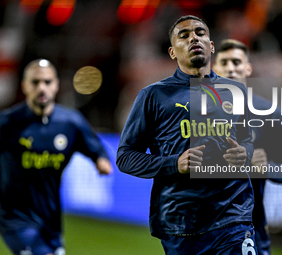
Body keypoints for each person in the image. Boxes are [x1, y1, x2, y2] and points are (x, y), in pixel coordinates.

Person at [117, 15, 258, 254]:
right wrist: (174, 163)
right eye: (184, 35)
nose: (194, 37)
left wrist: (244, 153)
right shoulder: (153, 96)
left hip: (233, 217)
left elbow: (247, 141)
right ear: (172, 52)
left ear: (211, 46)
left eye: (200, 33)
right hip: (182, 224)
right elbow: (126, 156)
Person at [0, 59, 112, 255]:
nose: (42, 88)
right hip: (15, 218)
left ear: (57, 85)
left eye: (47, 82)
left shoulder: (70, 123)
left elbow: (96, 149)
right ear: (25, 86)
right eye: (35, 82)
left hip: (50, 219)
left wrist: (101, 161)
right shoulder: (8, 123)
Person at [213, 39, 282, 255]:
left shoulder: (269, 113)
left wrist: (266, 167)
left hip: (248, 229)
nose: (231, 68)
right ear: (214, 69)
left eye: (237, 61)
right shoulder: (195, 112)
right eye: (224, 62)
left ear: (248, 68)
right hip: (202, 229)